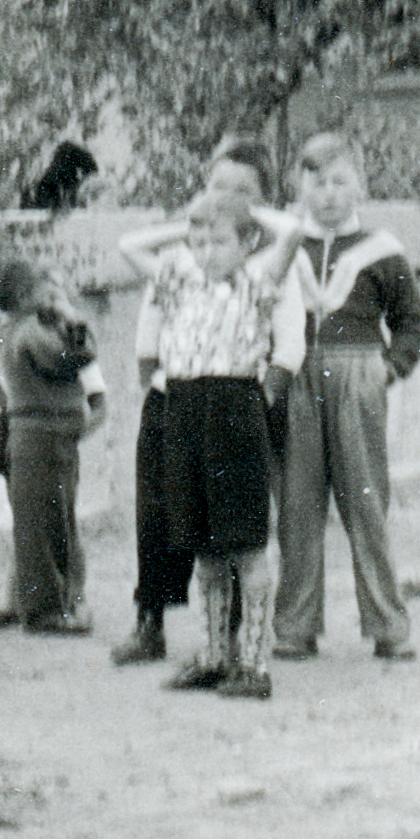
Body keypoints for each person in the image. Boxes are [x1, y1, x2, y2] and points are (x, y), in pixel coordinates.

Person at [110, 136, 292, 664]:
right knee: (182, 528)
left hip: (234, 409)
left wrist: (244, 216)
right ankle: (187, 641)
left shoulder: (259, 278)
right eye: (216, 187)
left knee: (241, 536)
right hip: (181, 403)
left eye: (241, 191)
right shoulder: (181, 268)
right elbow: (131, 249)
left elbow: (289, 338)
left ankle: (247, 655)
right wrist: (196, 224)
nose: (223, 200)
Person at [273, 131, 420, 662]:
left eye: (340, 182)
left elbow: (413, 325)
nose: (328, 194)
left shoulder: (382, 250)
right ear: (298, 187)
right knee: (297, 506)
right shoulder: (286, 247)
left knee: (366, 503)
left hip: (358, 376)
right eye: (316, 183)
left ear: (360, 185)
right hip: (298, 377)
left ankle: (389, 625)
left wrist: (387, 369)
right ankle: (295, 626)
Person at [0, 256, 98, 633]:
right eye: (39, 288)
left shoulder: (11, 330)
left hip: (33, 433)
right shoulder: (31, 331)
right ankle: (46, 611)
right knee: (49, 524)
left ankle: (28, 600)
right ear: (22, 297)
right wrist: (72, 318)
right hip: (45, 434)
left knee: (36, 521)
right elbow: (77, 356)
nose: (48, 293)